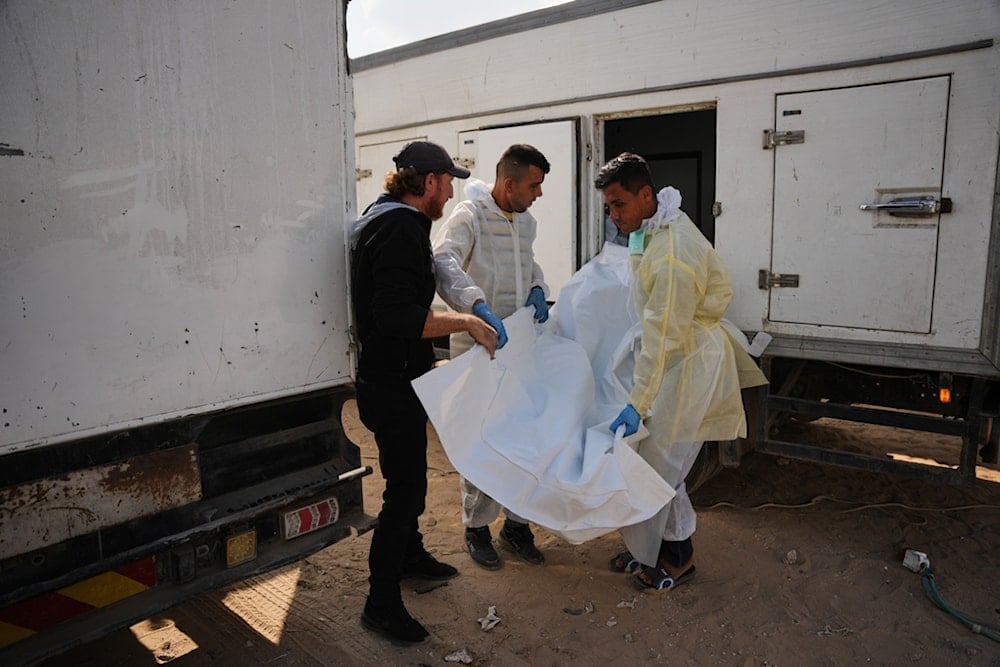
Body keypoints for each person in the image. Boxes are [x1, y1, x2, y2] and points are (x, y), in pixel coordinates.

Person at [349, 141, 499, 644]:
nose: (451, 190)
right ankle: (381, 603)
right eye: (447, 181)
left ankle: (411, 557)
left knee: (407, 477)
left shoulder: (384, 217)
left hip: (390, 379)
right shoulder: (397, 227)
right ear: (429, 182)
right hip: (391, 384)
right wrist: (467, 321)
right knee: (405, 491)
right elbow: (396, 317)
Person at [595, 152, 745, 591]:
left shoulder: (673, 254)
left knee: (665, 468)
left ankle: (679, 559)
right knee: (653, 462)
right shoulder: (656, 225)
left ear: (645, 195)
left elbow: (664, 337)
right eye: (608, 206)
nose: (613, 215)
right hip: (676, 361)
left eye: (618, 204)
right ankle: (648, 548)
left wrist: (637, 402)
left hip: (689, 363)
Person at [432, 143, 552, 570]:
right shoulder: (471, 216)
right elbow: (444, 261)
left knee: (521, 434)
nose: (538, 194)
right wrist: (475, 305)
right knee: (481, 438)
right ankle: (477, 527)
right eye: (534, 185)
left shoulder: (526, 222)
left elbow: (528, 264)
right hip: (477, 347)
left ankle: (516, 525)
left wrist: (538, 287)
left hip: (516, 345)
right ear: (509, 182)